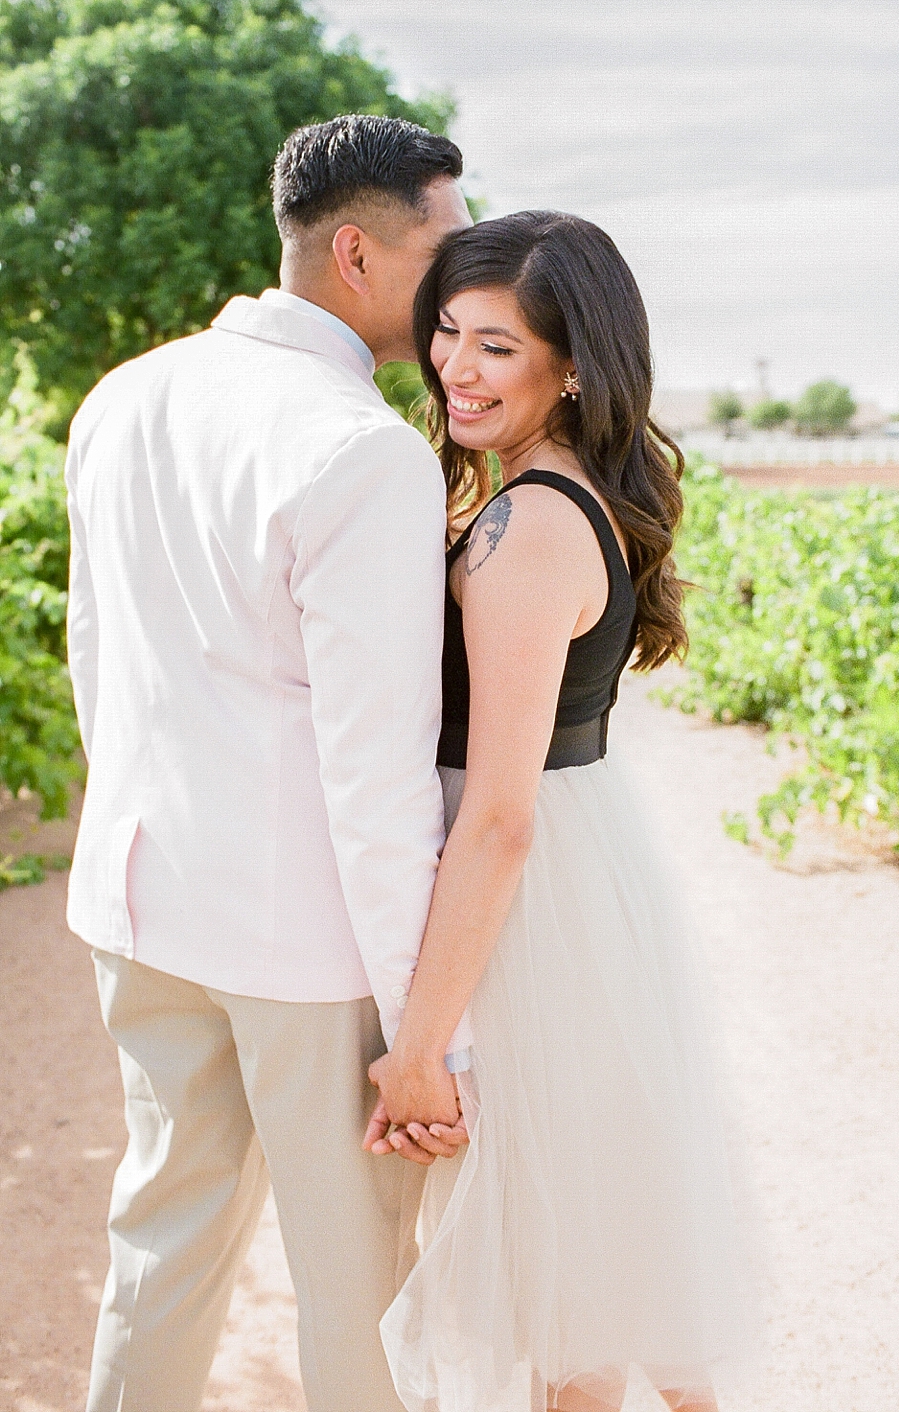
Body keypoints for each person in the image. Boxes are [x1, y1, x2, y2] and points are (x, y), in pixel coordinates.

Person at [64, 113, 474, 1412]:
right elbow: (377, 779)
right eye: (443, 246)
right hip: (302, 948)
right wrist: (426, 1035)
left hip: (139, 905)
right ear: (357, 250)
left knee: (161, 1246)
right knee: (359, 1298)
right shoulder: (360, 451)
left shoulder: (122, 395)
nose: (464, 276)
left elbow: (97, 665)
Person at [363, 213, 750, 1412]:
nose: (454, 368)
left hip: (529, 907)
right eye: (445, 334)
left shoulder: (526, 522)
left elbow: (499, 815)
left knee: (560, 1274)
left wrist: (418, 1049)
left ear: (570, 364)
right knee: (584, 1263)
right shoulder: (559, 491)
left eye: (495, 346)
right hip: (578, 869)